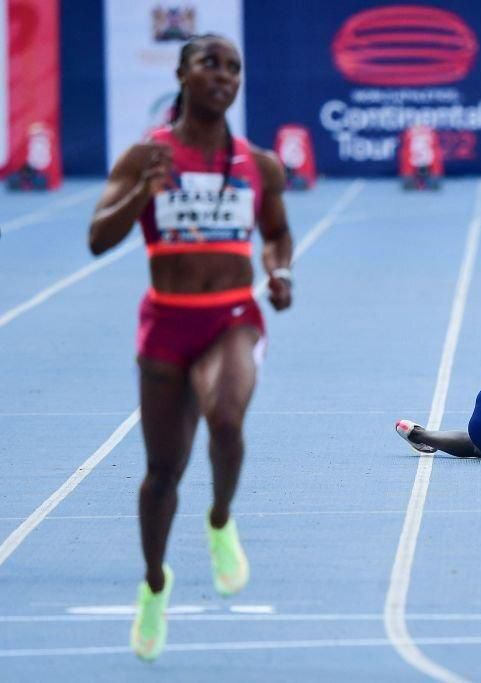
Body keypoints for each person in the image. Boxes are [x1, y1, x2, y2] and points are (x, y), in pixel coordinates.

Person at [87, 34, 293, 661]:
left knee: (225, 418)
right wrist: (139, 195)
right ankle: (155, 584)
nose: (224, 76)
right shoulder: (147, 156)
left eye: (234, 67)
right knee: (161, 473)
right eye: (210, 64)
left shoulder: (259, 164)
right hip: (166, 323)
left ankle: (221, 520)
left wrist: (281, 271)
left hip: (231, 316)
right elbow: (98, 238)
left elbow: (278, 234)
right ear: (181, 73)